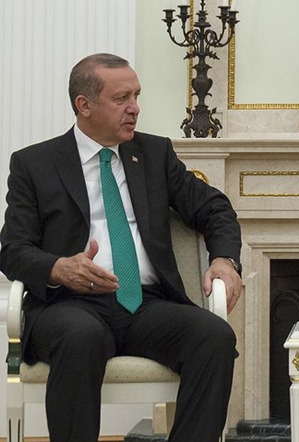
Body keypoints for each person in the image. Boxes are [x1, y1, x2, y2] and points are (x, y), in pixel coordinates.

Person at [0, 53, 243, 442]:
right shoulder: (35, 164)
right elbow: (13, 249)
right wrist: (59, 268)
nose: (135, 108)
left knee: (213, 335)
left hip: (146, 304)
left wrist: (225, 260)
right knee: (81, 335)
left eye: (136, 96)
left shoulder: (154, 154)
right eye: (121, 99)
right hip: (68, 305)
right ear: (85, 105)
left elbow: (213, 208)